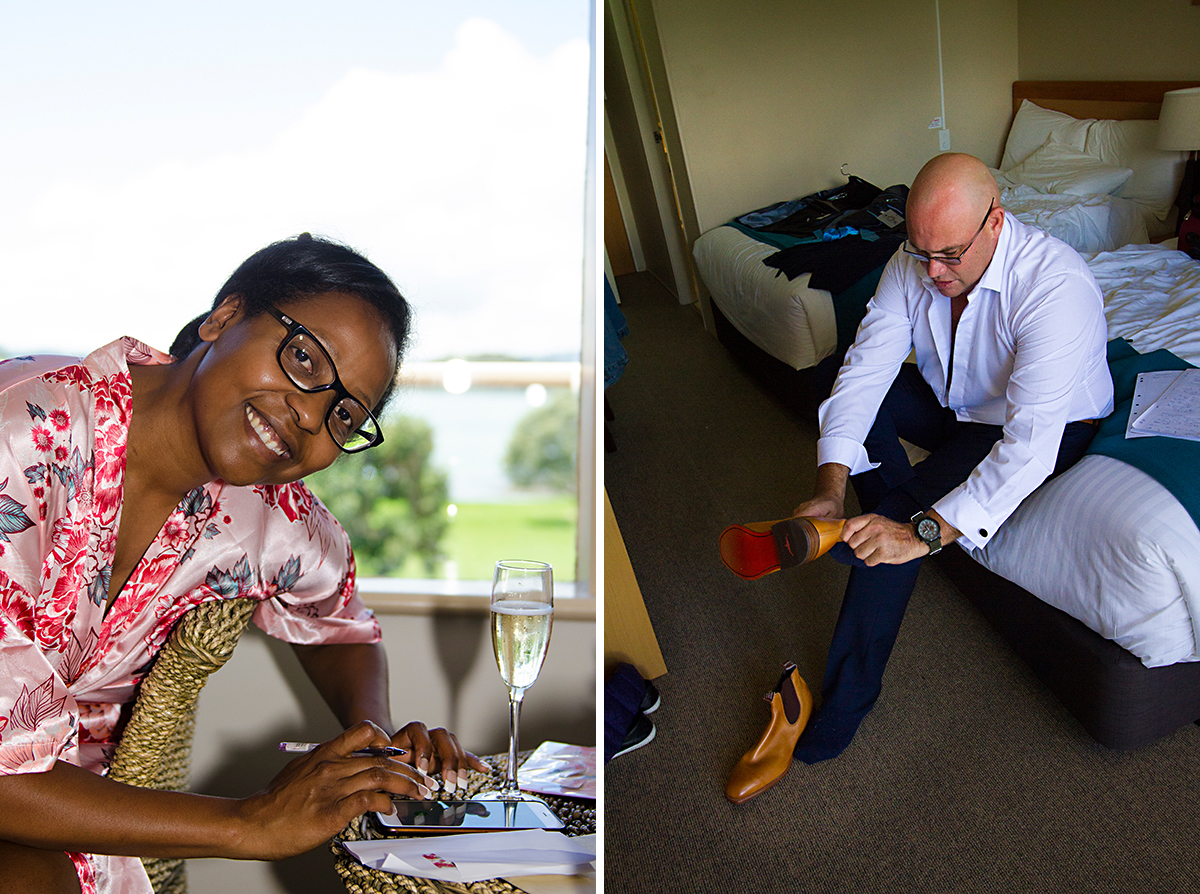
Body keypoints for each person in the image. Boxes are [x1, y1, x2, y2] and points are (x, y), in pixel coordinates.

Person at [0, 233, 488, 894]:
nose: (310, 417)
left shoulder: (266, 512)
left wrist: (373, 739)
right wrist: (248, 823)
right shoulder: (21, 434)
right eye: (305, 358)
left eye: (345, 415)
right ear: (224, 317)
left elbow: (340, 623)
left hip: (71, 808)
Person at [729, 153, 1114, 798]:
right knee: (835, 379)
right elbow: (867, 368)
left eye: (950, 256)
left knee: (894, 531)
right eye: (921, 251)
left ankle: (841, 707)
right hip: (961, 407)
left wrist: (919, 532)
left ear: (996, 221)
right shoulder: (916, 260)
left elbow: (1027, 449)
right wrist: (829, 484)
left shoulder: (1056, 287)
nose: (932, 272)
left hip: (1046, 429)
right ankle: (862, 522)